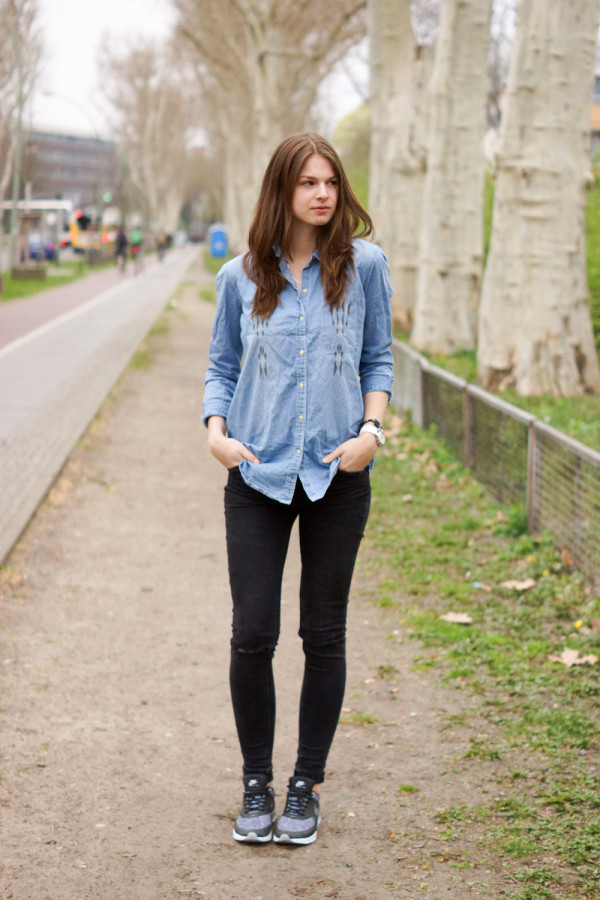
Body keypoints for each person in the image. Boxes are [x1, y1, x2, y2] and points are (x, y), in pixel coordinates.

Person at [202, 132, 394, 846]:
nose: (322, 193)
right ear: (281, 189)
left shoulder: (365, 267)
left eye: (332, 183)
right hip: (255, 473)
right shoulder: (240, 276)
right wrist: (215, 433)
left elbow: (379, 359)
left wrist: (371, 435)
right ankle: (256, 783)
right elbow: (221, 366)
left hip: (339, 476)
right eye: (308, 182)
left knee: (324, 634)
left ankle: (304, 787)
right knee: (253, 633)